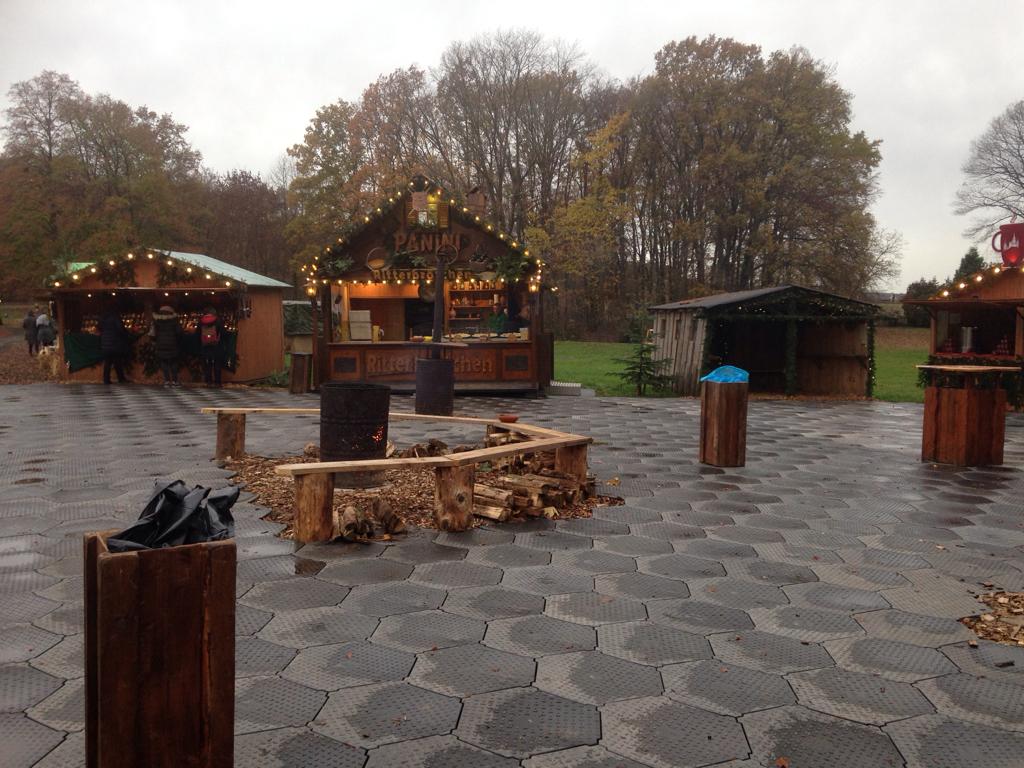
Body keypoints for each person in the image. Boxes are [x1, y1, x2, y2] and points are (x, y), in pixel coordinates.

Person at [150, 305, 182, 387]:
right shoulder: (174, 320)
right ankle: (175, 381)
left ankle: (167, 381)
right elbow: (179, 332)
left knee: (164, 362)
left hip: (160, 344)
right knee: (174, 362)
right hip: (173, 344)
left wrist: (156, 341)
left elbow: (153, 334)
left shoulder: (156, 321)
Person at [99, 308, 129, 384]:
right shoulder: (115, 317)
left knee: (107, 362)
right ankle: (121, 378)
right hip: (115, 343)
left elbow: (100, 329)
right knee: (117, 361)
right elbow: (121, 329)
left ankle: (106, 379)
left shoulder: (103, 318)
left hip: (105, 344)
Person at [199, 307, 224, 387]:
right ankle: (217, 382)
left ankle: (209, 382)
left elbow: (197, 333)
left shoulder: (201, 321)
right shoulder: (218, 321)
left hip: (205, 346)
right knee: (217, 363)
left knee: (207, 363)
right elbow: (223, 332)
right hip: (216, 345)